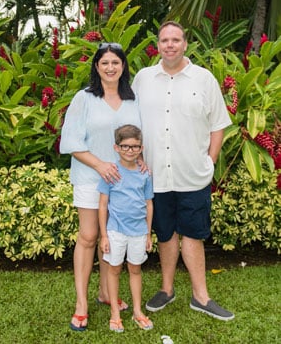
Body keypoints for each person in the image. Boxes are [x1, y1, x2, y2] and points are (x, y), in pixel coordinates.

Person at [132, 21, 235, 321]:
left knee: (193, 233)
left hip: (193, 174)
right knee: (165, 233)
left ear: (185, 44)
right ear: (159, 44)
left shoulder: (203, 80)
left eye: (176, 39)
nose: (170, 45)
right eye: (165, 40)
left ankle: (200, 296)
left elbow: (218, 125)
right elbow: (131, 120)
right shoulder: (143, 79)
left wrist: (210, 161)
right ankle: (166, 289)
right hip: (156, 176)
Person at [60, 42, 141, 331]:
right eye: (104, 63)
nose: (110, 68)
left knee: (113, 236)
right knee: (89, 235)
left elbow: (136, 137)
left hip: (122, 182)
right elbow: (69, 141)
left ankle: (107, 293)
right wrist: (99, 165)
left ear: (123, 66)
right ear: (97, 67)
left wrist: (140, 160)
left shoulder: (133, 99)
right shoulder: (84, 98)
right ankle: (81, 303)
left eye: (115, 63)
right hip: (90, 177)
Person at [98, 124, 154, 333]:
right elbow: (103, 205)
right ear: (116, 147)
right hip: (115, 231)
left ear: (141, 148)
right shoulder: (111, 172)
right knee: (114, 269)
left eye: (135, 147)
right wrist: (104, 235)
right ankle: (115, 312)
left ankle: (138, 311)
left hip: (139, 231)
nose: (130, 151)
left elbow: (149, 204)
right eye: (125, 146)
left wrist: (148, 233)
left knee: (135, 269)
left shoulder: (145, 174)